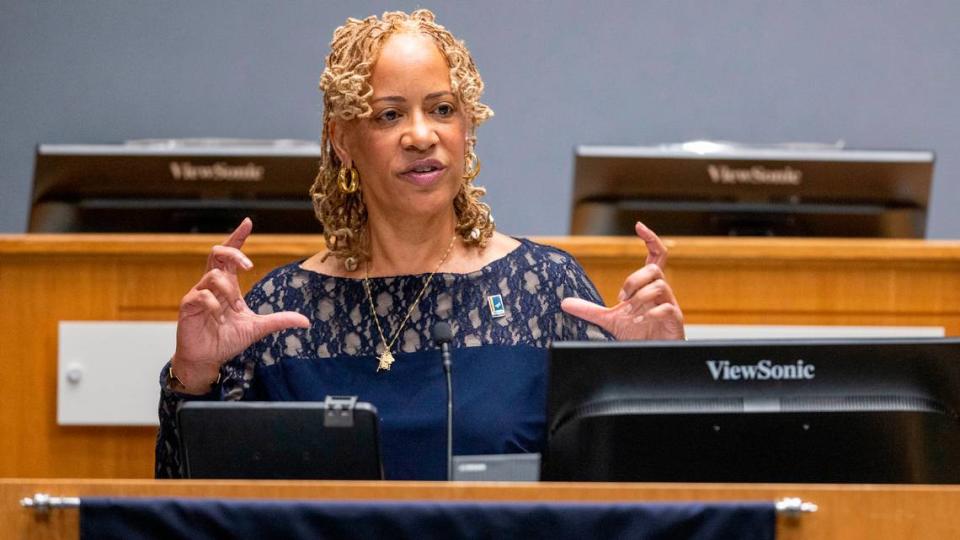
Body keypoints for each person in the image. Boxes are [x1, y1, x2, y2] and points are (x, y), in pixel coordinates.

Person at [156, 9, 684, 480]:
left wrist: (658, 375)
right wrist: (193, 378)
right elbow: (194, 512)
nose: (421, 135)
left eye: (442, 110)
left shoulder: (546, 291)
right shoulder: (278, 313)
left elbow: (634, 499)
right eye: (389, 115)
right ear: (344, 141)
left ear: (467, 128)